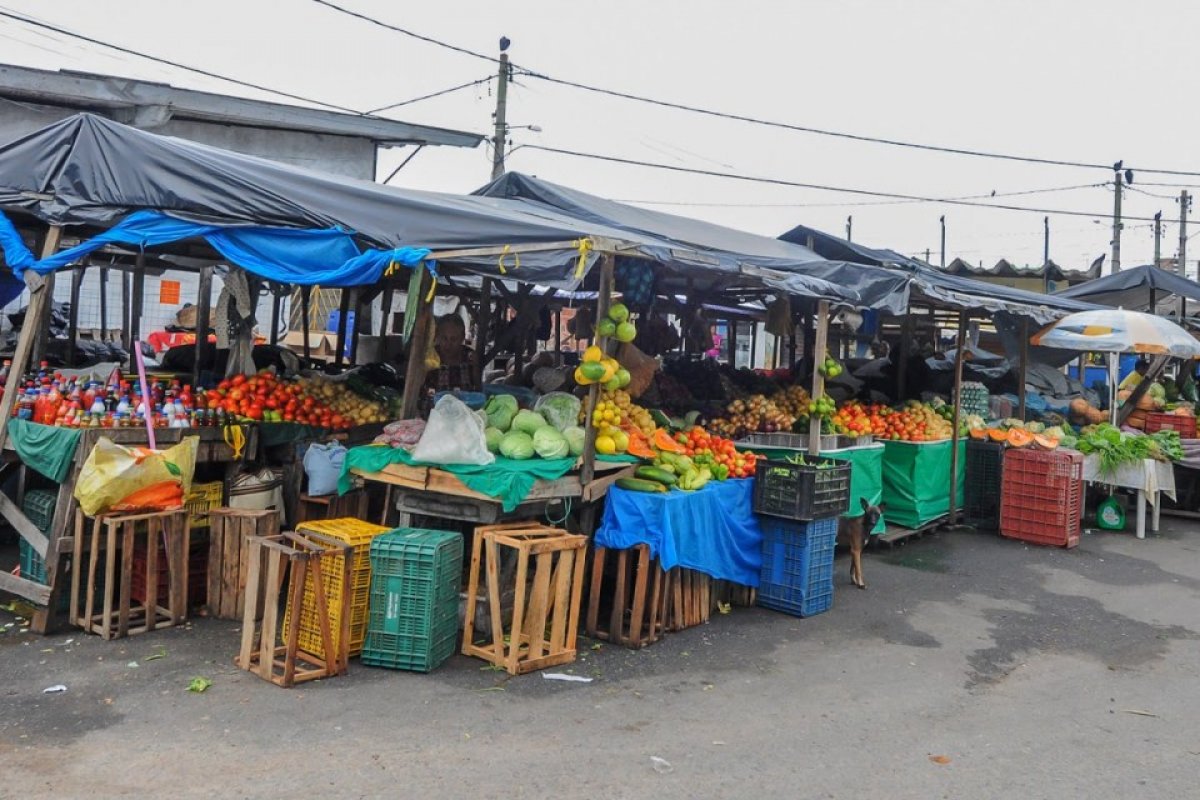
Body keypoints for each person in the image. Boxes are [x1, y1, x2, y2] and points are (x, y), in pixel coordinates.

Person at [424, 313, 480, 395]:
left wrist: (476, 367)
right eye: (444, 338)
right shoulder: (431, 356)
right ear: (438, 336)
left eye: (453, 339)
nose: (448, 344)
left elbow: (478, 390)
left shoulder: (470, 357)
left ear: (462, 337)